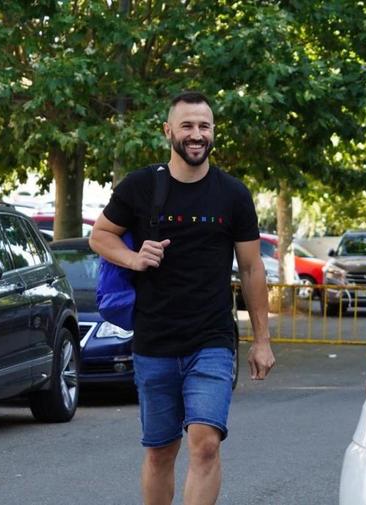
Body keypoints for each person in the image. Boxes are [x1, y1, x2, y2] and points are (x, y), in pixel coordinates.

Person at [89, 91, 275, 505]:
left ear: (213, 133)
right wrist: (134, 259)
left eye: (204, 126)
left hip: (211, 340)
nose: (196, 134)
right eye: (187, 126)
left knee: (205, 443)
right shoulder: (140, 187)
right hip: (154, 340)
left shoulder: (233, 194)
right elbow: (99, 235)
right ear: (168, 131)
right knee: (160, 450)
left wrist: (262, 340)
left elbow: (251, 269)